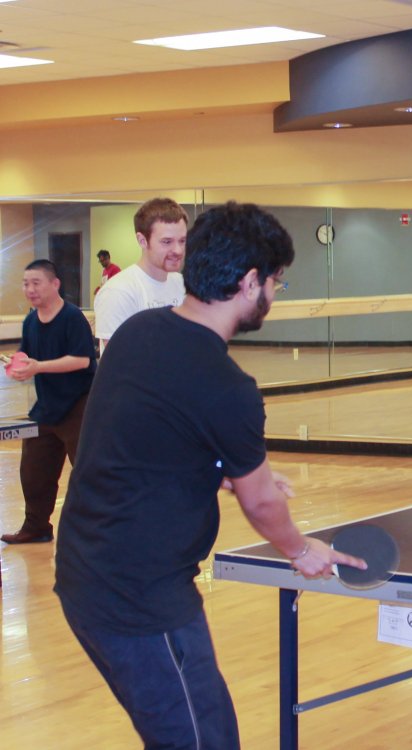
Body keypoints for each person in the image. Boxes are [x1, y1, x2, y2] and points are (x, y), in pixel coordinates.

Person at [54, 202, 365, 748]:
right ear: (250, 283)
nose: (274, 294)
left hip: (84, 575)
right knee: (204, 741)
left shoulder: (139, 333)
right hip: (140, 597)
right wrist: (300, 549)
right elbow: (262, 504)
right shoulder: (229, 387)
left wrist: (214, 469)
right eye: (276, 282)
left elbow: (137, 433)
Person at [1, 260, 97, 545]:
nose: (30, 289)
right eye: (25, 283)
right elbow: (26, 356)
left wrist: (38, 367)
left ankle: (97, 532)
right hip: (47, 407)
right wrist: (17, 367)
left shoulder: (72, 318)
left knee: (87, 472)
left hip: (80, 405)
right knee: (34, 469)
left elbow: (82, 360)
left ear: (54, 284)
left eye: (36, 283)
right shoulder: (31, 320)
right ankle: (37, 527)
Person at [93, 197, 188, 350]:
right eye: (167, 242)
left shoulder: (182, 284)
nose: (178, 250)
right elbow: (122, 362)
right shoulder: (118, 292)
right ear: (142, 241)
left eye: (182, 241)